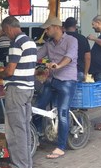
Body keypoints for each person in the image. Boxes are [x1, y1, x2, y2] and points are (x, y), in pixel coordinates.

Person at [0, 16, 37, 168]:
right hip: (28, 89)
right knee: (23, 127)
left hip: (17, 90)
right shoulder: (30, 41)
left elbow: (10, 71)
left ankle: (18, 165)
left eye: (5, 32)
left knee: (15, 128)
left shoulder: (16, 43)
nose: (6, 35)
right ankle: (26, 163)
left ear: (9, 28)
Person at [33, 17, 78, 159]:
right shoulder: (48, 44)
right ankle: (38, 134)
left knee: (62, 112)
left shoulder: (71, 40)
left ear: (57, 28)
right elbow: (37, 55)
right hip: (52, 80)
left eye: (48, 28)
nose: (46, 31)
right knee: (38, 108)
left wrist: (58, 65)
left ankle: (61, 146)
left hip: (67, 81)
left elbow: (69, 57)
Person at [63, 17, 91, 82]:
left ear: (64, 26)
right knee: (77, 91)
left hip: (61, 71)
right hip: (78, 71)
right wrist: (85, 73)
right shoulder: (82, 39)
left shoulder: (61, 38)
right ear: (75, 26)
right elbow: (88, 57)